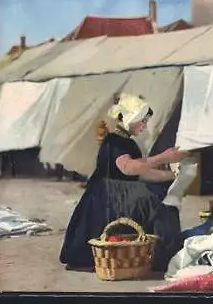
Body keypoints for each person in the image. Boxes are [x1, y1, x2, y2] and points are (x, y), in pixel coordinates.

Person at [59, 93, 189, 272]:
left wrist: (172, 177)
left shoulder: (128, 143)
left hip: (120, 192)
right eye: (141, 121)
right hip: (107, 196)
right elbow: (128, 168)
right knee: (153, 203)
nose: (144, 126)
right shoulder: (115, 141)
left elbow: (142, 173)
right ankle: (162, 256)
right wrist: (164, 157)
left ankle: (159, 254)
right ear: (130, 118)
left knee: (161, 197)